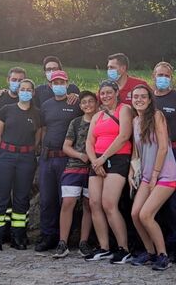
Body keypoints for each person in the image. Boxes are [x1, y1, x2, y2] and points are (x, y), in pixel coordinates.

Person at [129, 84, 176, 271]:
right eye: (136, 97)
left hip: (165, 174)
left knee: (146, 214)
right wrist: (131, 173)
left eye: (143, 96)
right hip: (146, 175)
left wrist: (155, 176)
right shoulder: (135, 121)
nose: (139, 100)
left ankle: (163, 255)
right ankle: (150, 252)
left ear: (150, 100)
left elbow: (163, 147)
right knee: (135, 214)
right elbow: (136, 151)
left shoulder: (158, 116)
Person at [84, 80, 134, 263]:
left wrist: (103, 159)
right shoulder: (98, 115)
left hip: (117, 158)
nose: (105, 96)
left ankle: (123, 248)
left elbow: (124, 136)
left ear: (116, 92)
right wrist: (95, 162)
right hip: (97, 160)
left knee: (109, 203)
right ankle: (104, 247)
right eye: (102, 93)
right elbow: (89, 141)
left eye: (108, 92)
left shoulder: (124, 110)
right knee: (94, 203)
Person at [0, 79, 41, 251]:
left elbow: (38, 137)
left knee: (21, 198)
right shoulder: (6, 110)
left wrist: (28, 151)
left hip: (26, 158)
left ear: (33, 93)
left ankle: (18, 236)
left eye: (29, 89)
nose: (25, 92)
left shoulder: (37, 114)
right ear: (18, 91)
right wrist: (4, 151)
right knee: (1, 198)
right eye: (22, 89)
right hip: (6, 156)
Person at [35, 70, 82, 252]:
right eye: (55, 82)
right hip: (47, 158)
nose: (59, 85)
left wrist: (77, 95)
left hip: (66, 159)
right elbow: (44, 128)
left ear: (68, 83)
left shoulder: (75, 103)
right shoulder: (46, 105)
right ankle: (48, 236)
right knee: (47, 199)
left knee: (67, 200)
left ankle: (66, 238)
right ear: (50, 85)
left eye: (62, 82)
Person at [151, 61, 176, 258]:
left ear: (171, 78)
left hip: (174, 153)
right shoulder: (148, 98)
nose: (163, 78)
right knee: (151, 201)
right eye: (160, 74)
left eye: (166, 75)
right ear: (153, 76)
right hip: (151, 154)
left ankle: (175, 244)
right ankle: (153, 245)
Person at [53, 90, 98, 258]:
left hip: (94, 169)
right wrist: (81, 155)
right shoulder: (76, 122)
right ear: (80, 106)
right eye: (84, 102)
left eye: (90, 101)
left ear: (96, 103)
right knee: (68, 202)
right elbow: (66, 146)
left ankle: (83, 243)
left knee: (89, 205)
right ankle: (62, 242)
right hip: (74, 167)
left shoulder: (101, 120)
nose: (87, 104)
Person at [0, 66, 27, 240]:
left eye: (20, 80)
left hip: (23, 155)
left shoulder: (30, 100)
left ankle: (16, 234)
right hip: (2, 153)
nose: (17, 83)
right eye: (14, 79)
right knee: (1, 194)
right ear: (8, 80)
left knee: (20, 195)